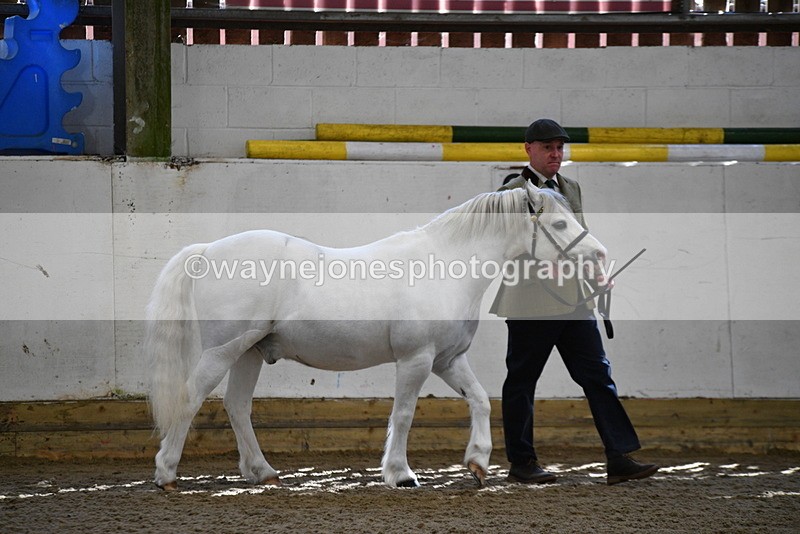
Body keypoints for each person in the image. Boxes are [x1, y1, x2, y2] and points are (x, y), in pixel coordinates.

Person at [490, 118, 658, 486]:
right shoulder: (512, 192)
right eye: (548, 147)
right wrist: (540, 269)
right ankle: (522, 462)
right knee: (522, 380)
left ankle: (618, 457)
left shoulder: (572, 188)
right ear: (528, 149)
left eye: (559, 148)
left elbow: (579, 236)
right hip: (531, 304)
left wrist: (596, 271)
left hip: (575, 300)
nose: (555, 154)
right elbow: (508, 245)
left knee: (598, 376)